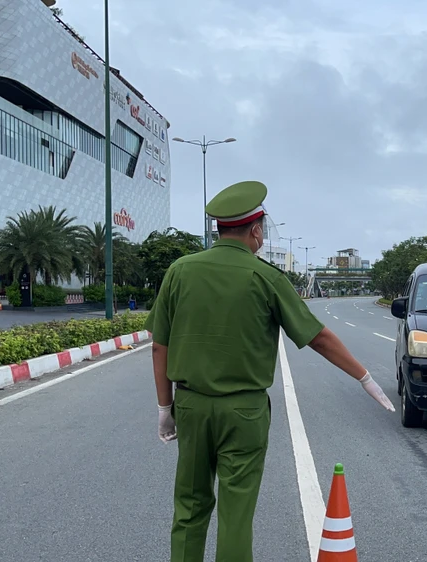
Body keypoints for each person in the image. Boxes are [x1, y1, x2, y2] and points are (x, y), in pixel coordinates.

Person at [144, 180, 395, 562]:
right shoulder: (267, 277)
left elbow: (158, 345)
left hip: (191, 406)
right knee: (235, 514)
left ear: (219, 229)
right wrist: (364, 377)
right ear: (256, 230)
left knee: (190, 507)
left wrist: (165, 408)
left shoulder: (180, 271)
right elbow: (318, 337)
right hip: (244, 411)